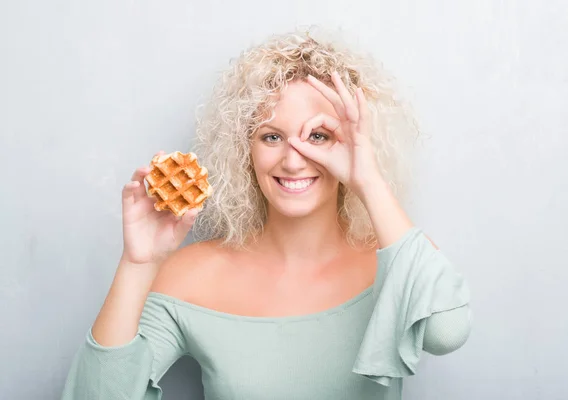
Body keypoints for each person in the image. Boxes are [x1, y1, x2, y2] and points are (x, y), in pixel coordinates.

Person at [61, 29, 471, 400]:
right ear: (246, 149)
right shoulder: (193, 276)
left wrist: (368, 179)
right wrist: (138, 264)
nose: (294, 161)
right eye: (271, 136)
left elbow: (445, 333)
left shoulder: (395, 260)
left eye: (319, 136)